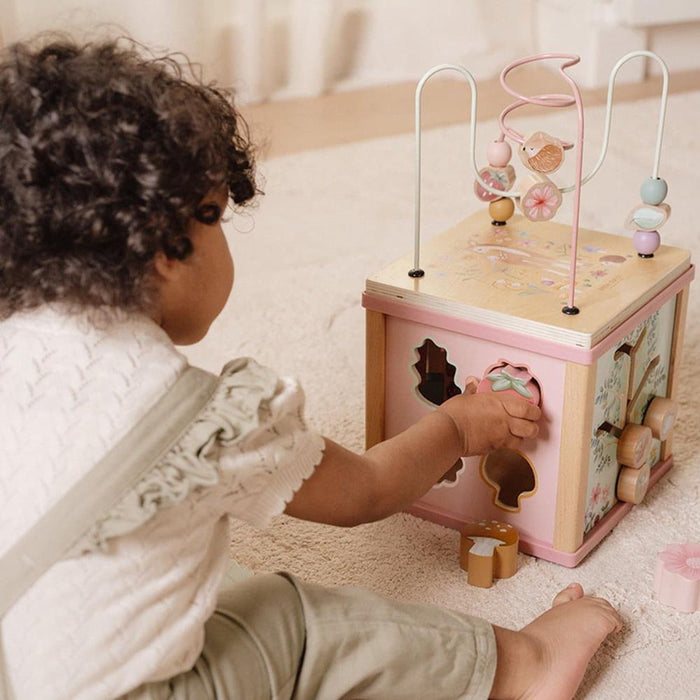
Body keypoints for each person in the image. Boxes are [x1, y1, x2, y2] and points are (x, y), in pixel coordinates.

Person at [0, 36, 622, 700]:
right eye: (217, 221)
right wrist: (457, 428)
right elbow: (367, 492)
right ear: (169, 248)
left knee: (213, 576)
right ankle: (526, 666)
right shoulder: (205, 422)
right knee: (287, 617)